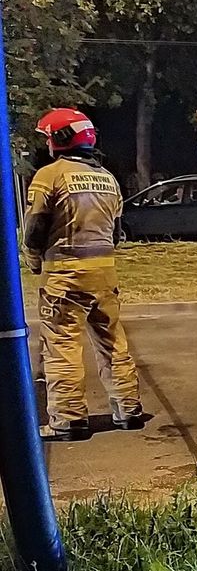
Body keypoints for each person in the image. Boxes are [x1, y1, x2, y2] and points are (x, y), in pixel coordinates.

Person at [24, 108, 144, 441]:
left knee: (62, 348)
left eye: (48, 136)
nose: (47, 142)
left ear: (61, 139)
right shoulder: (108, 179)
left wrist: (34, 261)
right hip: (104, 277)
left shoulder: (50, 175)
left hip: (64, 278)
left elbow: (35, 230)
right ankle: (129, 411)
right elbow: (116, 233)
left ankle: (69, 420)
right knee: (114, 344)